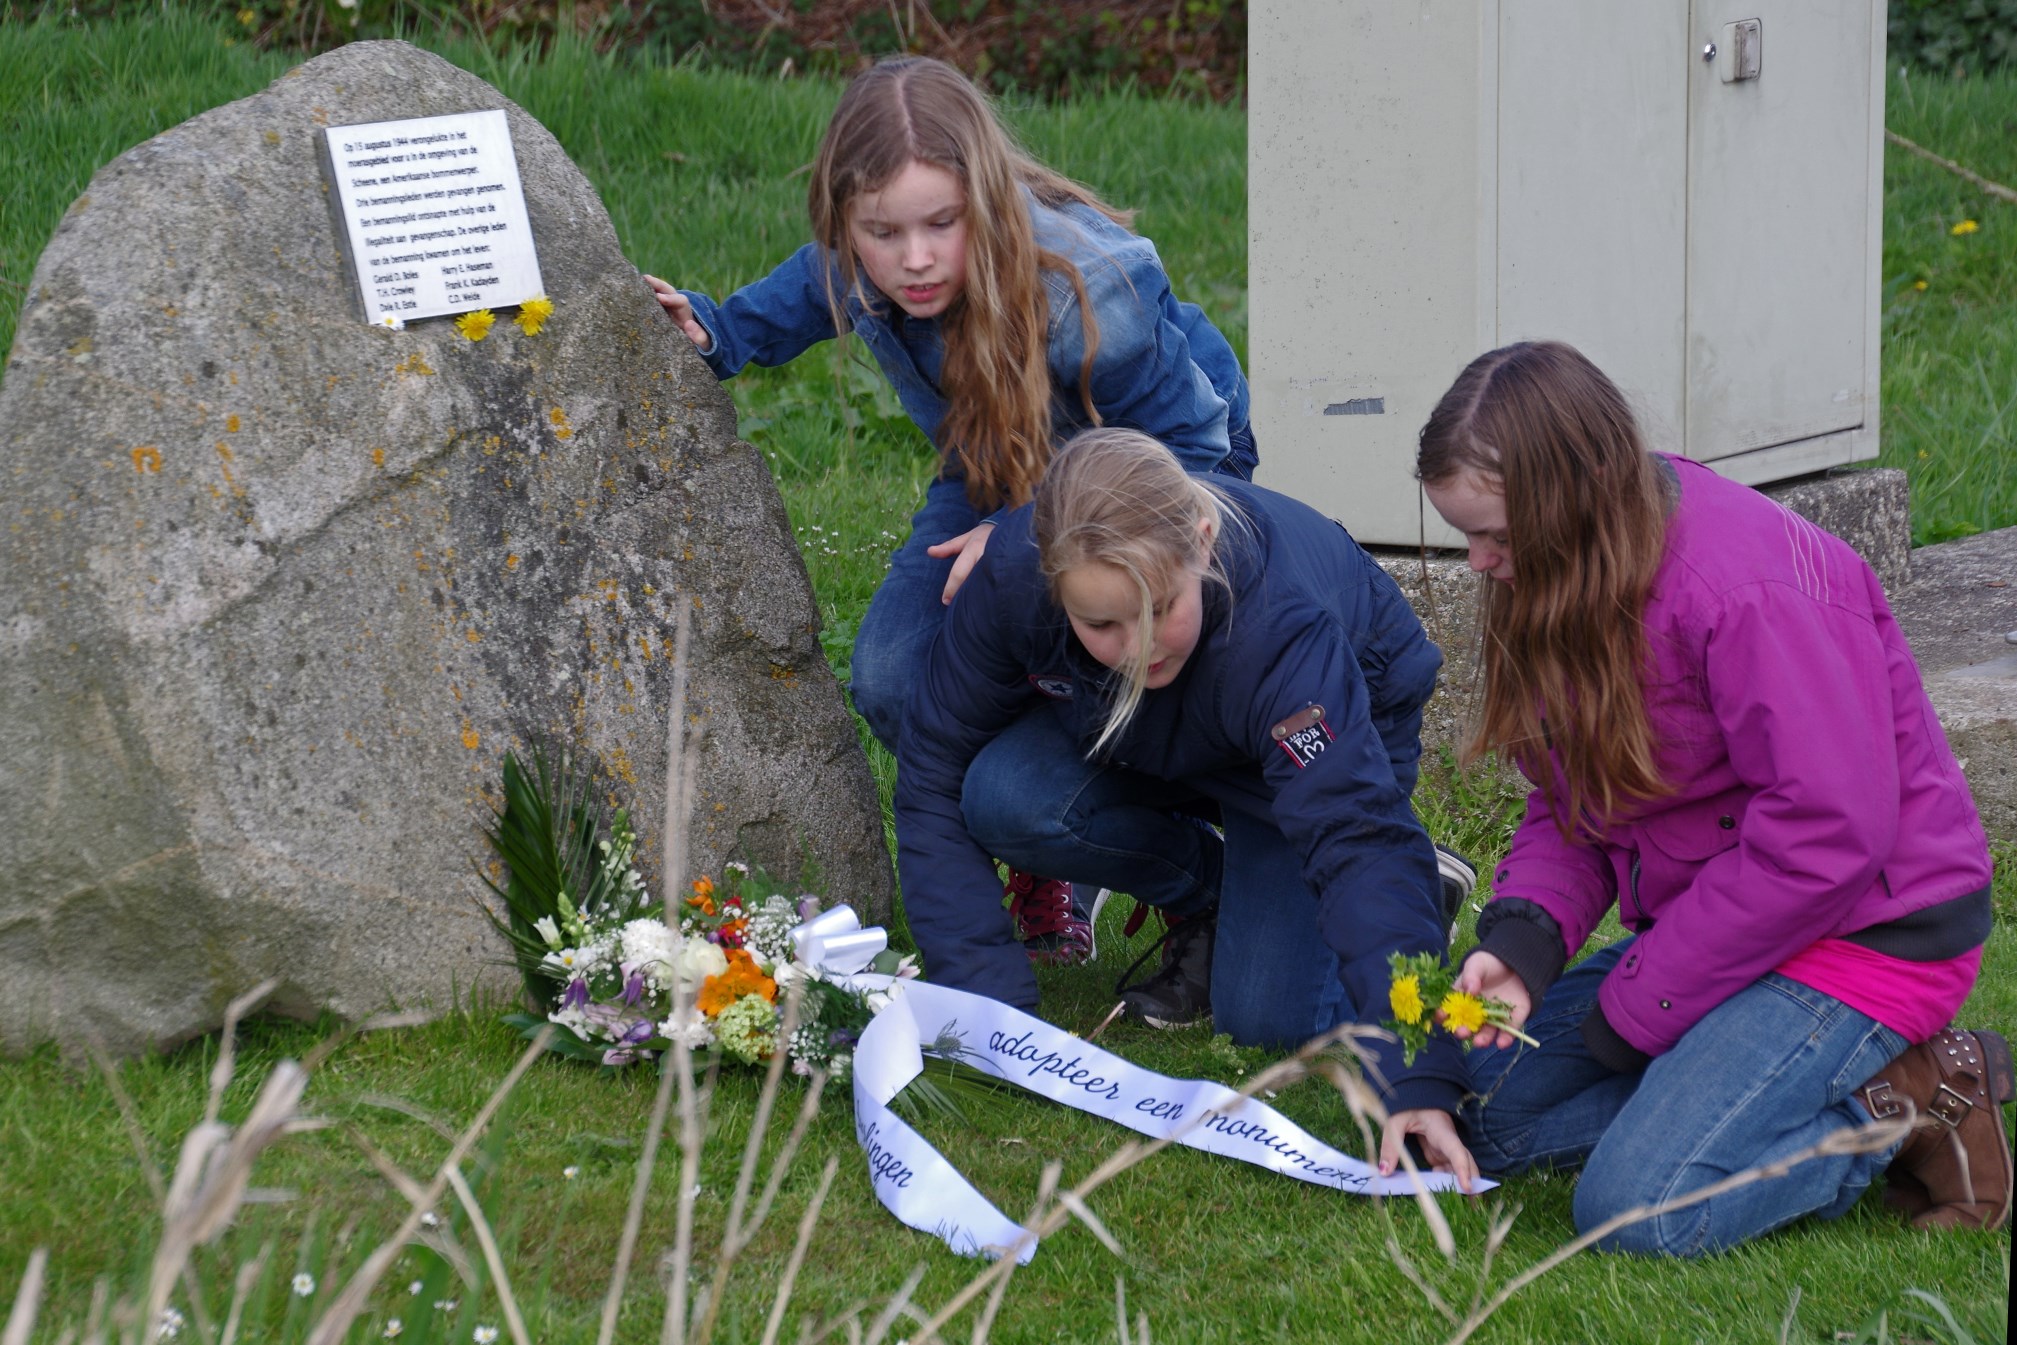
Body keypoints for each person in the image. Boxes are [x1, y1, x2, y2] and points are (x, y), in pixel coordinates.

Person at [1385, 339, 2009, 1253]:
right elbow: (1571, 803)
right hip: (1727, 928)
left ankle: (1909, 1101)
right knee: (1486, 1124)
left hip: (1864, 940)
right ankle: (1720, 1091)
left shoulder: (1746, 587)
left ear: (1579, 497)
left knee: (1639, 1207)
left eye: (1498, 538)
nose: (1479, 563)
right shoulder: (1559, 570)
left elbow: (1826, 837)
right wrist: (1517, 952)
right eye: (1467, 535)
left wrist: (1637, 1009)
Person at [645, 55, 1255, 965]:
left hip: (1156, 484)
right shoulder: (863, 264)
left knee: (1096, 673)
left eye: (941, 223)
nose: (914, 258)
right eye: (881, 232)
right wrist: (718, 331)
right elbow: (807, 291)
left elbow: (1196, 458)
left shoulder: (1088, 289)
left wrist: (1019, 542)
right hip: (995, 464)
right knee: (895, 679)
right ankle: (1055, 846)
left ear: (989, 201)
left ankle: (1141, 840)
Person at [892, 426, 1478, 1148]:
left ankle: (1420, 880)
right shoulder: (1012, 577)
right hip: (1143, 731)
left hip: (1314, 743)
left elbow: (1352, 835)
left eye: (1159, 607)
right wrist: (990, 1013)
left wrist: (1416, 1069)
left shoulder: (1283, 633)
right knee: (1002, 795)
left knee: (1270, 1021)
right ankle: (1211, 898)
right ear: (1049, 585)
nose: (1137, 646)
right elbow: (930, 775)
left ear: (1200, 543)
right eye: (1100, 622)